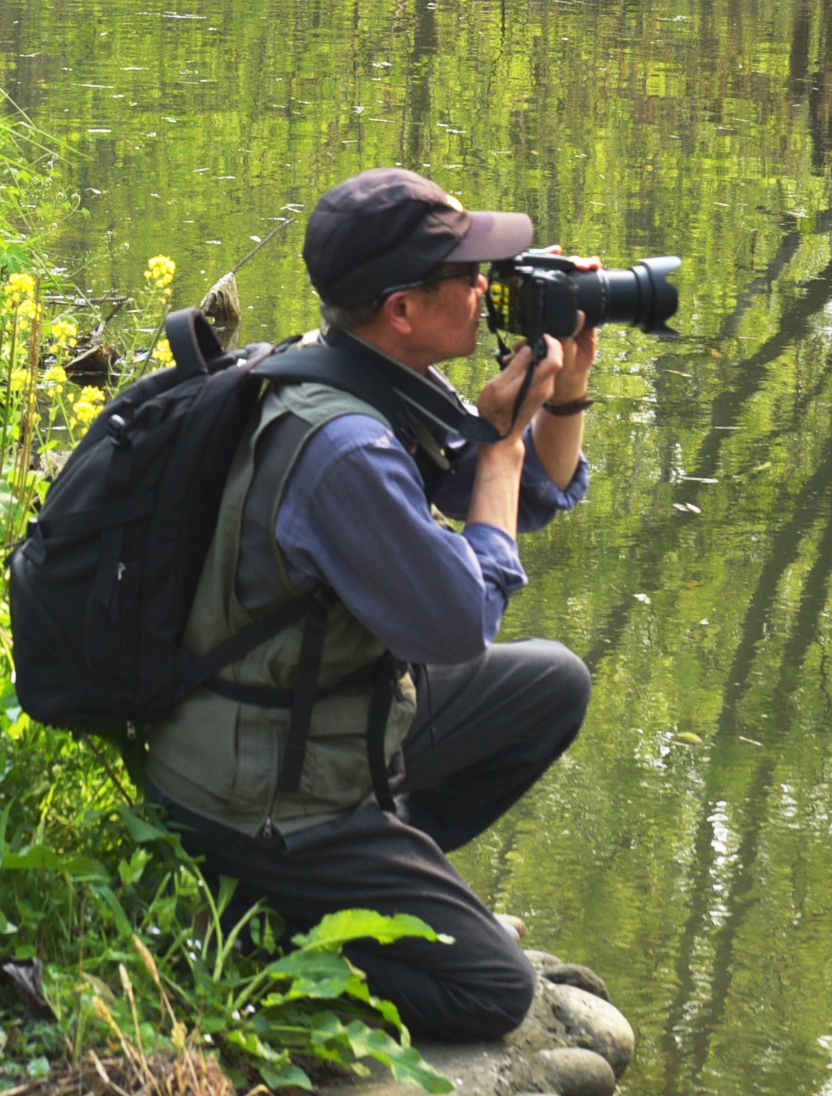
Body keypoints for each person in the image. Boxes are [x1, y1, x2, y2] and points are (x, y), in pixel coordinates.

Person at [144, 168, 597, 1042]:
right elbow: (463, 621)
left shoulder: (357, 376)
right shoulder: (344, 445)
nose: (485, 288)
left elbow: (528, 494)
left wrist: (564, 389)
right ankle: (274, 928)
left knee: (552, 686)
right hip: (260, 794)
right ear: (401, 309)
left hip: (305, 719)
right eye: (467, 275)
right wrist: (499, 456)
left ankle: (392, 879)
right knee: (492, 994)